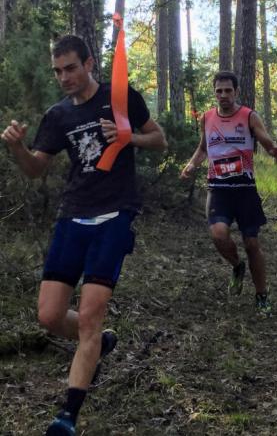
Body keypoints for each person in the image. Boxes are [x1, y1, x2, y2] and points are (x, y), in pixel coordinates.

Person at [1, 35, 167, 436]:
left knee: (91, 315)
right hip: (73, 216)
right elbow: (37, 168)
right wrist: (18, 148)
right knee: (49, 315)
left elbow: (159, 140)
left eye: (70, 68)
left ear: (89, 63)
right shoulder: (57, 115)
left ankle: (68, 416)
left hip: (115, 214)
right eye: (57, 71)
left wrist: (129, 138)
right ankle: (99, 343)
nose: (64, 77)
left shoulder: (120, 96)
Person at [181, 71, 277, 316]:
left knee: (251, 243)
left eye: (228, 90)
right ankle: (237, 267)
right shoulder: (207, 118)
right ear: (215, 92)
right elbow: (203, 148)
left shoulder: (248, 116)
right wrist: (191, 164)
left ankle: (261, 295)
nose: (223, 95)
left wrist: (273, 149)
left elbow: (264, 139)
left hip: (245, 189)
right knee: (218, 235)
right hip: (218, 189)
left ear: (236, 92)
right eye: (219, 91)